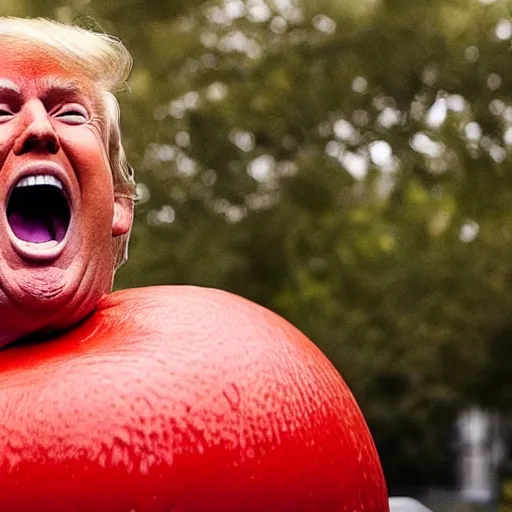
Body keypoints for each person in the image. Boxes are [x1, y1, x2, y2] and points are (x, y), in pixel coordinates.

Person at [0, 17, 389, 511]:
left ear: (120, 205)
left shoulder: (243, 374)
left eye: (72, 114)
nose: (38, 128)